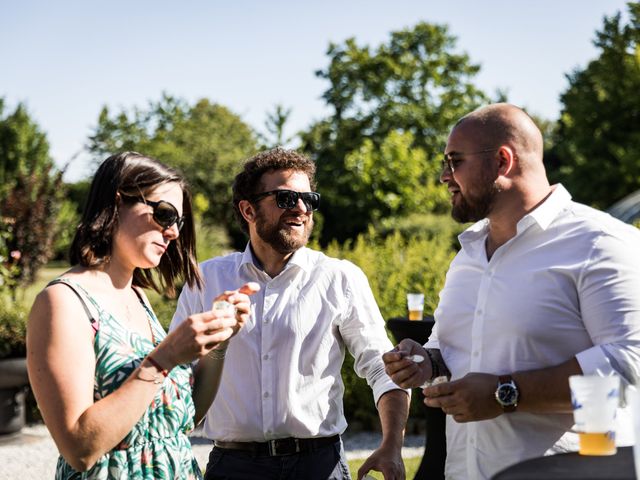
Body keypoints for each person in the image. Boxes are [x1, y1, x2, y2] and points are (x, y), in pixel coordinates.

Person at [383, 103, 640, 480]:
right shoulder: (468, 257)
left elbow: (627, 364)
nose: (444, 177)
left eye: (455, 161)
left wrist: (506, 394)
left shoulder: (600, 241)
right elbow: (451, 349)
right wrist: (425, 362)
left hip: (570, 472)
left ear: (503, 161)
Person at [170, 147, 410, 480]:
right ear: (248, 209)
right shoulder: (206, 280)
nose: (300, 208)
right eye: (285, 198)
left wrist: (392, 445)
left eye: (308, 199)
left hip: (318, 466)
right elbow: (175, 379)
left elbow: (382, 366)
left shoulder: (339, 277)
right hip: (232, 467)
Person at [27, 152, 259, 479]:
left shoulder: (138, 297)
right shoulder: (63, 301)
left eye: (178, 222)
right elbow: (80, 448)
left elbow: (178, 418)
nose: (174, 232)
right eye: (164, 214)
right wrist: (164, 358)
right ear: (117, 203)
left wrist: (220, 343)